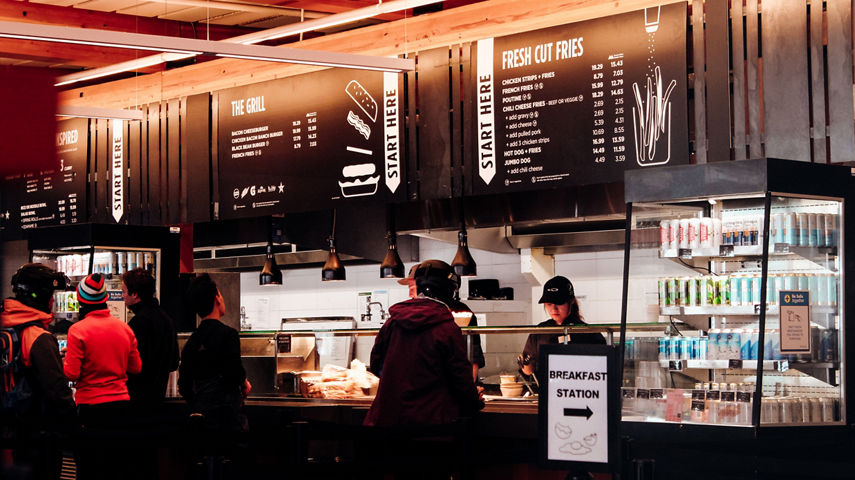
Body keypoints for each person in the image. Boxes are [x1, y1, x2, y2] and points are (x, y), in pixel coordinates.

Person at [365, 259, 483, 427]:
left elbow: (376, 366)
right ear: (450, 290)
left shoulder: (391, 323)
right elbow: (460, 380)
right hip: (430, 429)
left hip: (388, 425)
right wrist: (474, 401)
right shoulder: (447, 328)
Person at [0, 263, 77, 480]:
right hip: (37, 435)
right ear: (41, 296)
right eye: (51, 294)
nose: (53, 300)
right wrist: (73, 425)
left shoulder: (6, 326)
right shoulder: (38, 336)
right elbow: (57, 391)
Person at [64, 273, 142, 480]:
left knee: (90, 467)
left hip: (91, 409)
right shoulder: (125, 329)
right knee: (116, 468)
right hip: (121, 407)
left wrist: (64, 360)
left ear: (81, 301)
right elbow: (136, 367)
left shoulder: (77, 331)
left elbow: (71, 373)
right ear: (104, 299)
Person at [178, 274, 250, 436]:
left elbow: (183, 385)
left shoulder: (192, 341)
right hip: (227, 420)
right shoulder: (228, 335)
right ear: (217, 298)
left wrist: (199, 403)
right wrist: (243, 382)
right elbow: (233, 372)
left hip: (202, 422)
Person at [399, 264, 485, 381]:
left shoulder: (460, 313)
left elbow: (473, 356)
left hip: (442, 387)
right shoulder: (405, 315)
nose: (410, 294)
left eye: (412, 288)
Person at [518, 275, 606, 385]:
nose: (553, 309)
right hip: (546, 393)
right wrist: (527, 366)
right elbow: (528, 372)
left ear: (572, 301)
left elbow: (600, 373)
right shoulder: (540, 331)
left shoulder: (589, 333)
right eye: (549, 304)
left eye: (559, 303)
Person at [122, 268, 179, 413]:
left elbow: (132, 366)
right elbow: (173, 363)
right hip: (159, 399)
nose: (122, 296)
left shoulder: (138, 323)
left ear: (135, 294)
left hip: (136, 401)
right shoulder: (167, 319)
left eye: (124, 291)